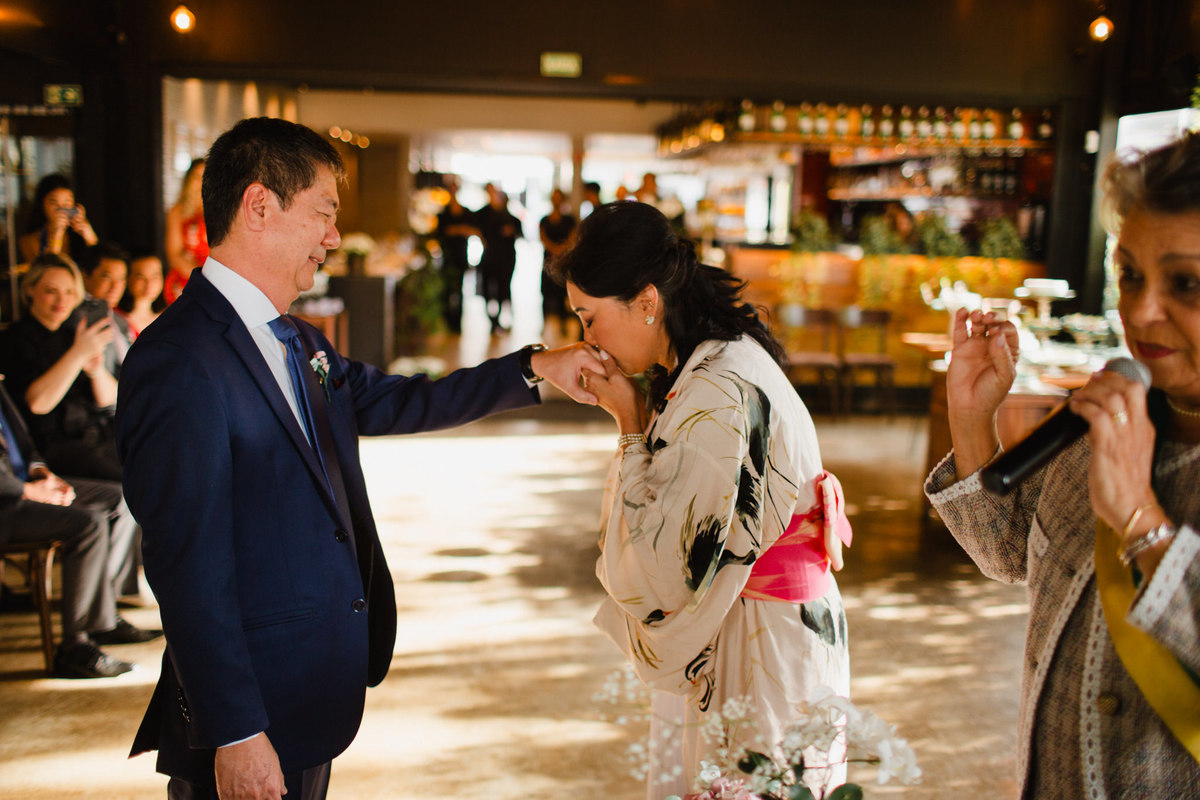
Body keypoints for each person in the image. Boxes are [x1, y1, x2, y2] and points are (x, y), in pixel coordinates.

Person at [114, 117, 603, 800]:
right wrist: (234, 730)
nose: (334, 237)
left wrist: (536, 369)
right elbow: (185, 564)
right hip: (250, 710)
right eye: (323, 212)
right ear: (259, 207)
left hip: (309, 694)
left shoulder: (299, 340)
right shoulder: (176, 361)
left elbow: (398, 401)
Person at [925, 132, 1200, 797]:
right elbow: (1008, 553)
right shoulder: (1099, 416)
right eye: (1129, 274)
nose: (1140, 311)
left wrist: (1142, 521)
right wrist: (973, 417)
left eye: (1186, 283)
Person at [555, 201, 852, 799]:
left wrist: (631, 425)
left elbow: (664, 568)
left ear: (646, 302)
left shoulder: (715, 384)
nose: (586, 338)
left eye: (588, 318)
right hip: (759, 620)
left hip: (757, 631)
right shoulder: (718, 357)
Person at [0, 377, 157, 678]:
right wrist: (29, 491)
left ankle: (104, 617)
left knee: (117, 497)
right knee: (87, 525)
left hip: (26, 485)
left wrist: (43, 474)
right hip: (6, 503)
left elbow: (26, 446)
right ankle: (75, 647)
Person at [0, 254, 123, 482]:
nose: (61, 300)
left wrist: (95, 371)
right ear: (30, 290)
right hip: (55, 445)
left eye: (69, 292)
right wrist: (78, 354)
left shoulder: (73, 334)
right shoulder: (15, 339)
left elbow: (110, 399)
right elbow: (38, 403)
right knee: (128, 482)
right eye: (51, 291)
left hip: (97, 433)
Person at [17, 173, 99, 265]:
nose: (61, 208)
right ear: (41, 205)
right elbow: (48, 271)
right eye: (54, 202)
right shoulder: (29, 241)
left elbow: (101, 265)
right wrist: (57, 235)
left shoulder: (78, 235)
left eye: (67, 202)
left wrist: (90, 237)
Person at [82, 242, 134, 377]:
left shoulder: (121, 320)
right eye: (107, 277)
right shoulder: (77, 318)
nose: (115, 286)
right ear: (86, 276)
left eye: (121, 279)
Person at [475, 183, 521, 333]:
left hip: (506, 259)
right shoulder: (484, 214)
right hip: (490, 257)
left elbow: (520, 234)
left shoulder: (512, 219)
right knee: (489, 289)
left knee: (503, 288)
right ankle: (493, 320)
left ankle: (498, 319)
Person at [434, 179, 478, 334]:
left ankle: (457, 323)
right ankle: (448, 320)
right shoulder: (443, 212)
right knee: (447, 289)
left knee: (459, 290)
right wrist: (459, 230)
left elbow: (472, 230)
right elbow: (441, 233)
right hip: (448, 256)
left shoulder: (465, 212)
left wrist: (455, 230)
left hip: (460, 255)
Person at [164, 158, 208, 305]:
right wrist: (203, 279)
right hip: (188, 277)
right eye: (196, 177)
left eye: (205, 176)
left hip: (219, 278)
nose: (201, 182)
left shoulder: (223, 211)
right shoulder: (178, 211)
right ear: (188, 180)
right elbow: (175, 254)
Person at [538, 188, 576, 340]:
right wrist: (554, 249)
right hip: (548, 261)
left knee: (562, 293)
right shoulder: (545, 220)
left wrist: (561, 249)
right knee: (546, 293)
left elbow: (572, 237)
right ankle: (544, 323)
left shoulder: (569, 219)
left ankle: (564, 324)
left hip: (563, 262)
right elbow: (542, 237)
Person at [117, 253, 166, 338]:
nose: (149, 284)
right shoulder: (116, 319)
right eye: (140, 277)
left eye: (155, 276)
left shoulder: (167, 318)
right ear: (127, 278)